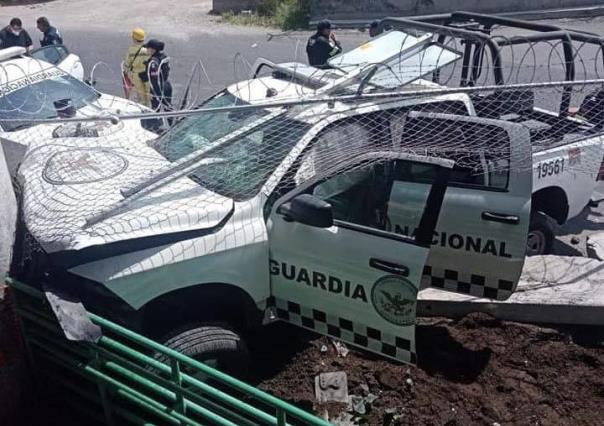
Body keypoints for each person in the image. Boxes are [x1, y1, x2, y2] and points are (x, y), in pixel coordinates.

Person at [139, 39, 172, 130]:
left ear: (153, 49)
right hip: (167, 85)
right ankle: (172, 124)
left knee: (156, 108)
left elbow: (154, 80)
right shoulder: (163, 56)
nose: (147, 50)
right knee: (168, 107)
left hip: (159, 87)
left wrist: (154, 94)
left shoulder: (153, 62)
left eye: (148, 48)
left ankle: (155, 128)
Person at [123, 27, 151, 107]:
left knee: (141, 96)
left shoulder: (131, 50)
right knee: (148, 93)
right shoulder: (147, 50)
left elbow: (127, 64)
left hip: (136, 75)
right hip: (146, 74)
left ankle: (143, 111)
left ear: (134, 39)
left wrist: (127, 73)